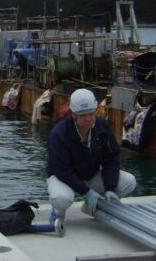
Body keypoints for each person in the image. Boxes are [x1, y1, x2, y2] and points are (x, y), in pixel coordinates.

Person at [46, 88, 137, 226]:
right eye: (83, 115)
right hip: (64, 179)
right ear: (74, 115)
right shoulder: (59, 134)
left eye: (91, 113)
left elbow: (111, 158)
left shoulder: (102, 127)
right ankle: (57, 212)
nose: (88, 118)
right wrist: (86, 191)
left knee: (129, 181)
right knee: (61, 198)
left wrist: (110, 187)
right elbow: (60, 169)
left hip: (90, 175)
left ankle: (92, 207)